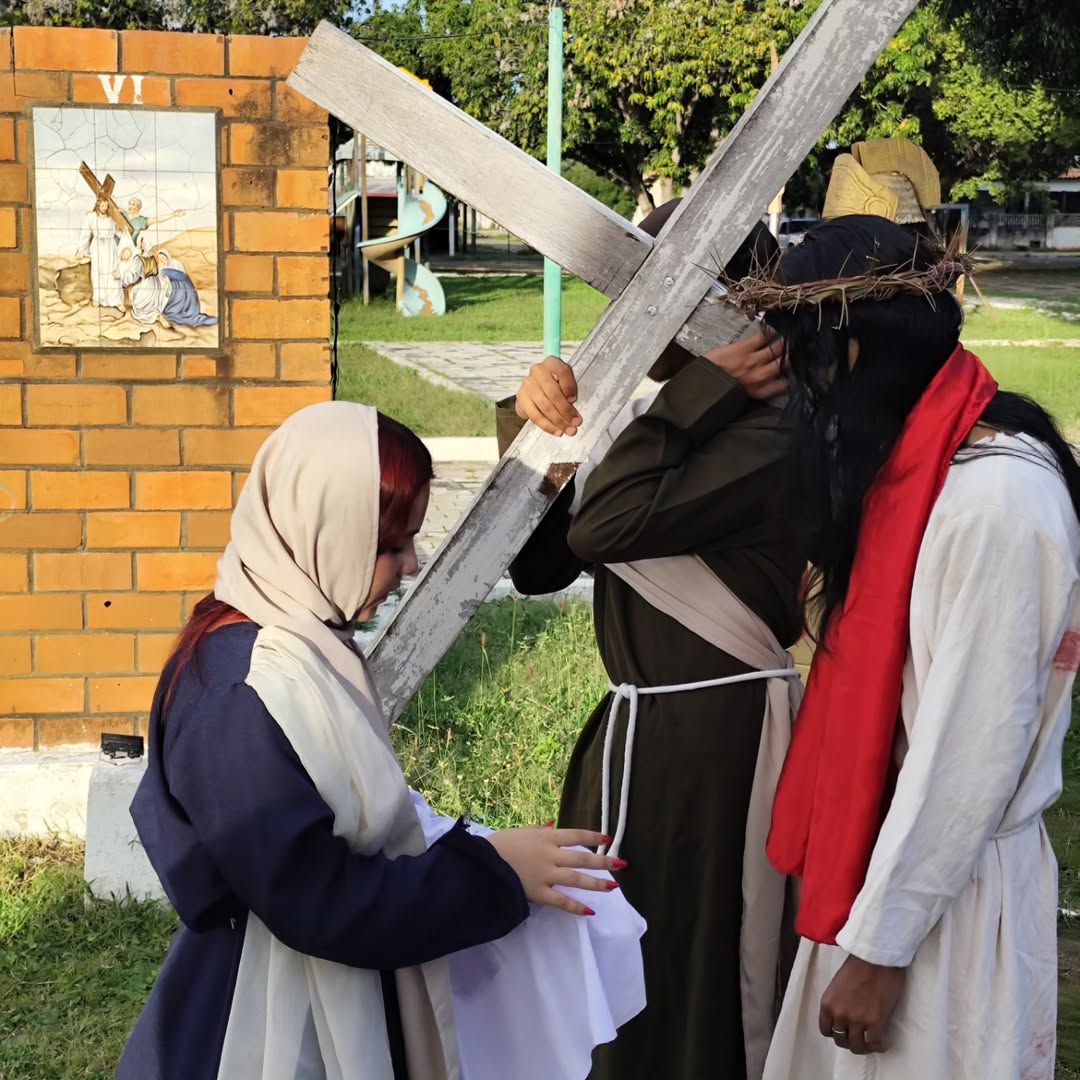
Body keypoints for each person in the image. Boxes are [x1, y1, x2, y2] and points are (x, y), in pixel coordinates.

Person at [117, 401, 643, 1080]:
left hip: (319, 988)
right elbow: (319, 902)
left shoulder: (299, 640)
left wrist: (482, 849)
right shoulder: (241, 693)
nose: (411, 564)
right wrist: (495, 873)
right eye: (390, 546)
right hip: (262, 1022)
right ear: (322, 531)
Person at [754, 215, 1080, 1080]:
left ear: (860, 352)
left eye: (812, 361)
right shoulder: (926, 465)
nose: (807, 390)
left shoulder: (996, 502)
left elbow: (972, 748)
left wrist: (881, 949)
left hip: (939, 901)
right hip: (890, 867)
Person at [496, 201, 807, 1080]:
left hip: (719, 741)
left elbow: (606, 526)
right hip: (639, 729)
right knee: (618, 941)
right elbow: (539, 565)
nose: (631, 317)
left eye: (654, 293)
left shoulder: (776, 425)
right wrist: (531, 416)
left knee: (696, 950)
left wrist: (694, 394)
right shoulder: (672, 417)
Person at [76, 195, 123, 310]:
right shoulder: (91, 217)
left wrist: (121, 223)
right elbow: (85, 234)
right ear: (98, 205)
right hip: (97, 247)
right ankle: (97, 298)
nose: (104, 208)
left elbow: (118, 232)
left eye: (106, 206)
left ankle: (116, 300)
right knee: (97, 272)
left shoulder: (112, 217)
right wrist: (82, 250)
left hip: (110, 247)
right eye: (102, 206)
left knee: (112, 271)